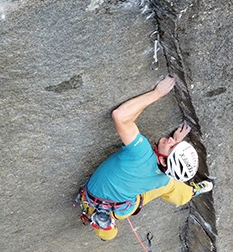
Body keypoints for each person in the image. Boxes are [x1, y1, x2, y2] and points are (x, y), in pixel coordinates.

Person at [78, 75, 213, 241]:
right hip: (122, 209)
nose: (171, 139)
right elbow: (128, 123)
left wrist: (157, 93)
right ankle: (190, 192)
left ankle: (105, 226)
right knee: (170, 186)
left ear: (164, 161)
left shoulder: (141, 153)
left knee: (108, 234)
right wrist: (174, 146)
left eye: (172, 145)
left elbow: (120, 116)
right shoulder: (163, 179)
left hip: (92, 200)